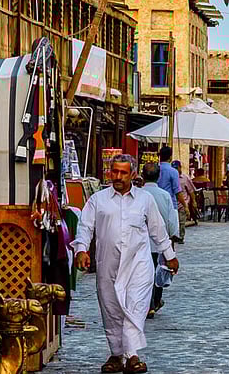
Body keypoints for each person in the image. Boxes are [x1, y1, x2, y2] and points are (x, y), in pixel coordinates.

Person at [72, 154, 178, 374]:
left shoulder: (144, 199)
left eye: (123, 172)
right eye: (115, 171)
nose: (118, 177)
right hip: (107, 264)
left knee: (136, 307)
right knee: (111, 309)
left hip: (138, 264)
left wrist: (169, 254)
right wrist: (81, 249)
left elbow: (158, 230)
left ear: (133, 174)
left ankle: (132, 356)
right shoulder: (98, 200)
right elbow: (85, 227)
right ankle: (116, 354)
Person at [135, 163, 179, 319]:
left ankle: (149, 303)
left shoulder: (138, 194)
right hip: (159, 241)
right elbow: (171, 220)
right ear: (159, 176)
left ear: (142, 175)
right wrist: (172, 238)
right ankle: (154, 301)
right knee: (158, 270)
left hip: (140, 242)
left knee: (143, 273)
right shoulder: (165, 195)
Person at [156, 147, 190, 243]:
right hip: (170, 204)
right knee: (171, 234)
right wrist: (185, 206)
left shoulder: (155, 169)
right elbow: (177, 191)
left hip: (155, 202)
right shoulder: (173, 172)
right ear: (170, 157)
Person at [172, 161, 197, 225]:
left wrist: (193, 201)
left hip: (182, 205)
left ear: (180, 168)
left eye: (176, 168)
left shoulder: (185, 178)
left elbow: (191, 191)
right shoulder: (171, 177)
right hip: (172, 205)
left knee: (181, 224)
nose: (175, 170)